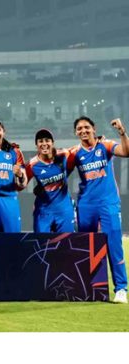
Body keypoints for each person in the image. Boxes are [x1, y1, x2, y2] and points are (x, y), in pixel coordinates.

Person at [67, 116, 128, 304]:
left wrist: (122, 132)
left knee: (114, 244)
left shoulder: (106, 145)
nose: (83, 131)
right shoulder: (75, 154)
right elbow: (61, 173)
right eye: (79, 128)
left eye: (86, 127)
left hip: (108, 203)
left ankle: (121, 289)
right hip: (86, 205)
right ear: (76, 132)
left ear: (94, 129)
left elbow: (126, 152)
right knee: (86, 246)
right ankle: (88, 288)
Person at [23, 128, 74, 233]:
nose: (44, 143)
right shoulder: (32, 164)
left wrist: (97, 141)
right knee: (42, 245)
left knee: (66, 244)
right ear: (36, 145)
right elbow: (20, 186)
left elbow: (78, 150)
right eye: (41, 141)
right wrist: (19, 176)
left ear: (52, 143)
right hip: (43, 211)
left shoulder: (63, 154)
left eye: (47, 140)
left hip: (64, 209)